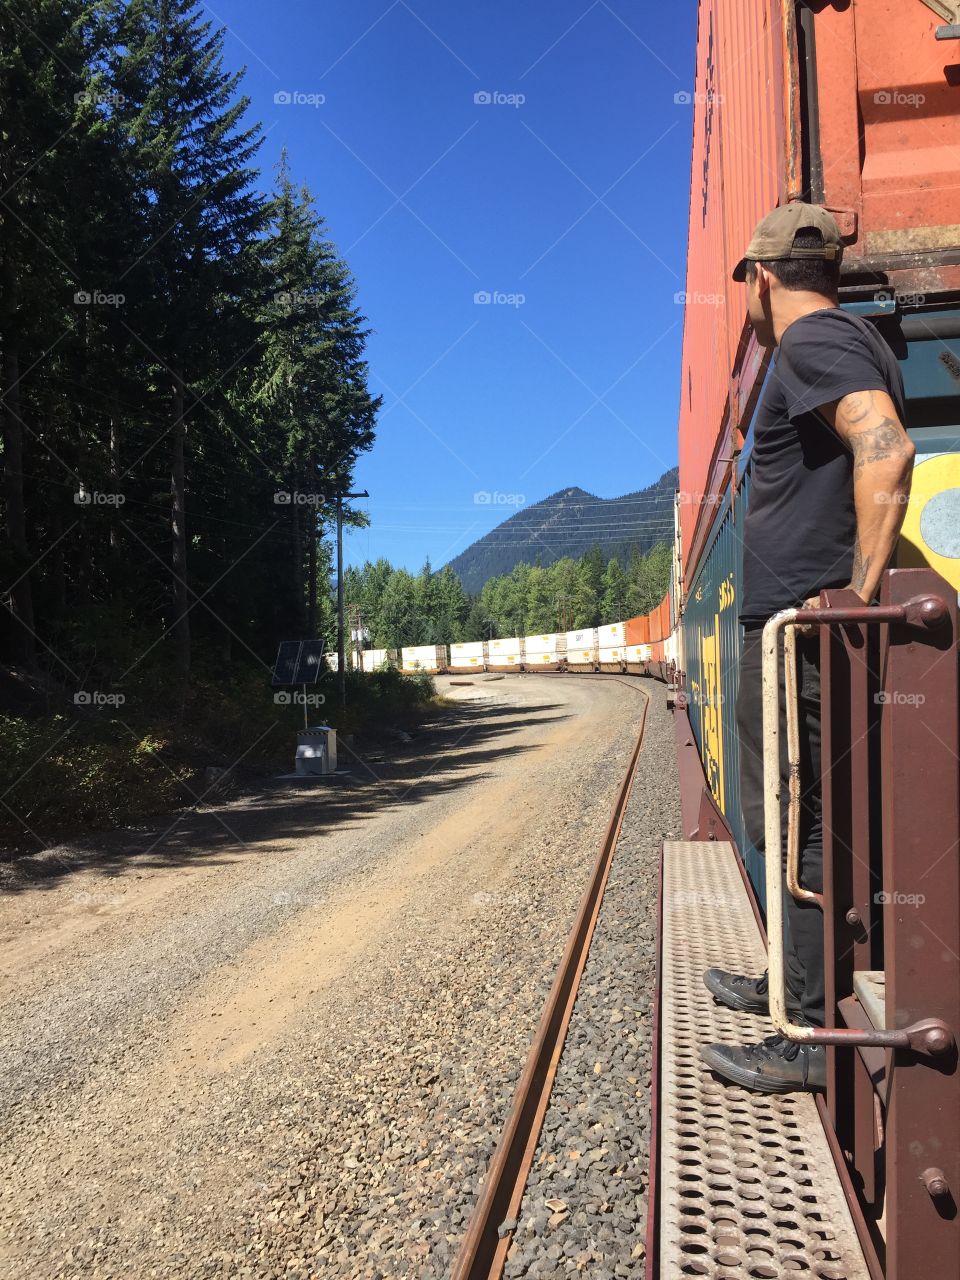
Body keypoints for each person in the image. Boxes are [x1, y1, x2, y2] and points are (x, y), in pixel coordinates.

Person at [699, 203, 916, 1094]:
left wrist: (853, 603)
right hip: (804, 625)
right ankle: (789, 985)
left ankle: (803, 1038)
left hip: (800, 629)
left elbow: (887, 451)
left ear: (762, 277)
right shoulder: (857, 340)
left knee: (798, 822)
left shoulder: (811, 346)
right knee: (803, 816)